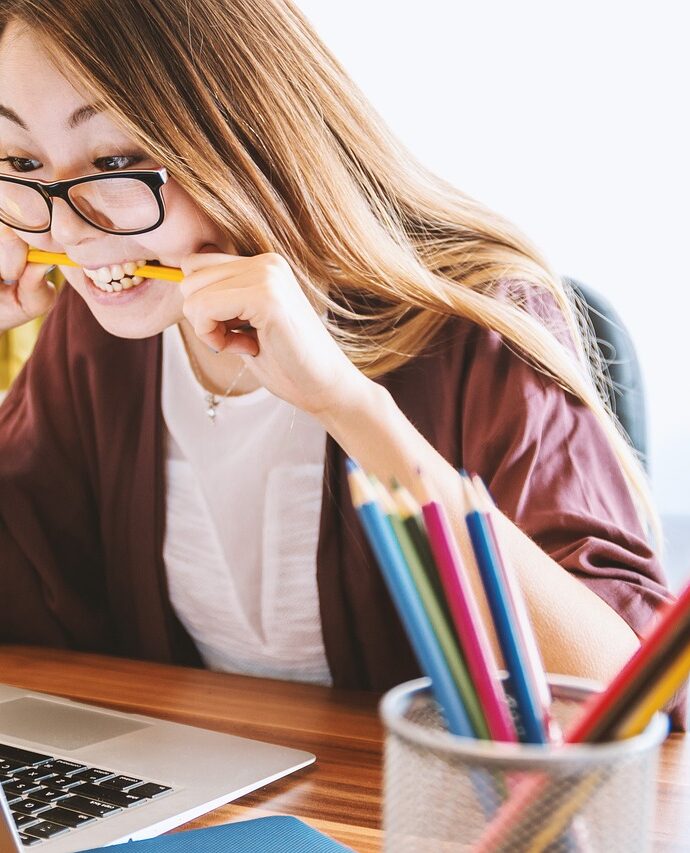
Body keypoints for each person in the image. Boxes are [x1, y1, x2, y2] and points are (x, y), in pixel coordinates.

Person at [0, 0, 683, 725]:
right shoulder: (96, 335)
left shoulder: (475, 327)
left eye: (115, 161)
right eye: (19, 162)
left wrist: (347, 407)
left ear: (245, 132)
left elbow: (634, 698)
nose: (69, 230)